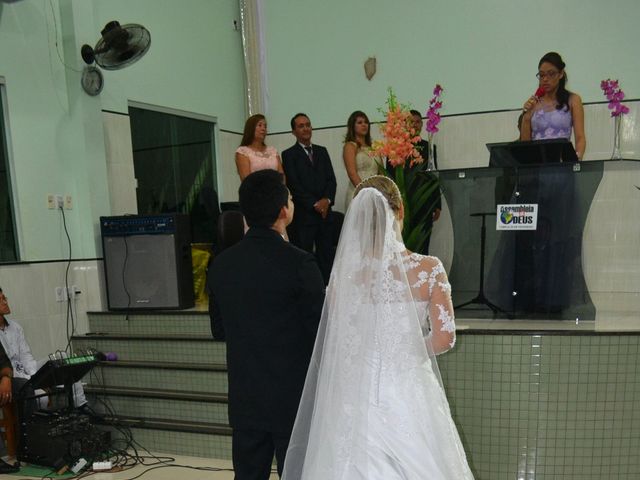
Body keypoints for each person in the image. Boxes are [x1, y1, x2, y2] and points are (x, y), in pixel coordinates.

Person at [282, 175, 474, 480]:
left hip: (353, 396)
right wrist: (406, 348)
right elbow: (443, 338)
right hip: (408, 389)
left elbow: (339, 341)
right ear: (399, 212)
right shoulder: (429, 269)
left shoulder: (341, 279)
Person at [209, 169, 325, 480]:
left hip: (245, 397)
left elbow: (218, 329)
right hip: (292, 399)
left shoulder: (221, 264)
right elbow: (320, 334)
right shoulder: (301, 264)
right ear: (284, 211)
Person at [0, 287, 87, 410]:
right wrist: (31, 381)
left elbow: (26, 355)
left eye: (5, 298)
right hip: (12, 377)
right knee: (42, 397)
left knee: (63, 357)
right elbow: (6, 366)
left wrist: (36, 377)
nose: (5, 302)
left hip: (27, 370)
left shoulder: (15, 327)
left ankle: (81, 405)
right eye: (1, 300)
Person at [282, 113, 337, 284]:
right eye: (301, 126)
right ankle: (308, 289)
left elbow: (331, 180)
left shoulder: (322, 151)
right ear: (293, 131)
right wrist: (314, 204)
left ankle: (327, 290)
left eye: (308, 124)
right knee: (305, 256)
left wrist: (326, 200)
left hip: (325, 213)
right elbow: (294, 185)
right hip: (305, 215)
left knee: (326, 255)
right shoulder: (289, 155)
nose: (306, 128)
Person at [386, 110, 442, 254]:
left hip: (424, 203)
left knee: (423, 243)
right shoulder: (395, 147)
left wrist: (437, 204)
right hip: (403, 203)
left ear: (422, 125)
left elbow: (433, 175)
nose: (415, 125)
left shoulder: (428, 147)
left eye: (418, 122)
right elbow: (390, 178)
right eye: (411, 122)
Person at [519, 51, 586, 159]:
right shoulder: (534, 103)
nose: (545, 79)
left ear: (561, 74)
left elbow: (580, 137)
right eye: (541, 75)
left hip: (562, 163)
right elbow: (525, 146)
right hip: (537, 166)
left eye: (551, 74)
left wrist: (577, 160)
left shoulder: (573, 100)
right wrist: (526, 116)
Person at [343, 111, 377, 209]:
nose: (364, 125)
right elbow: (352, 174)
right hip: (358, 194)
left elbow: (381, 173)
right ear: (352, 126)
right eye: (360, 122)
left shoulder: (373, 147)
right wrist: (366, 193)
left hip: (375, 195)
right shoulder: (350, 146)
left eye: (366, 122)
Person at [235, 114, 284, 180]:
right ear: (251, 128)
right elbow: (246, 180)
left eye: (265, 126)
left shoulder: (272, 151)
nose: (263, 129)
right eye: (260, 125)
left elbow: (281, 175)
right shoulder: (243, 151)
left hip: (276, 189)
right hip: (254, 189)